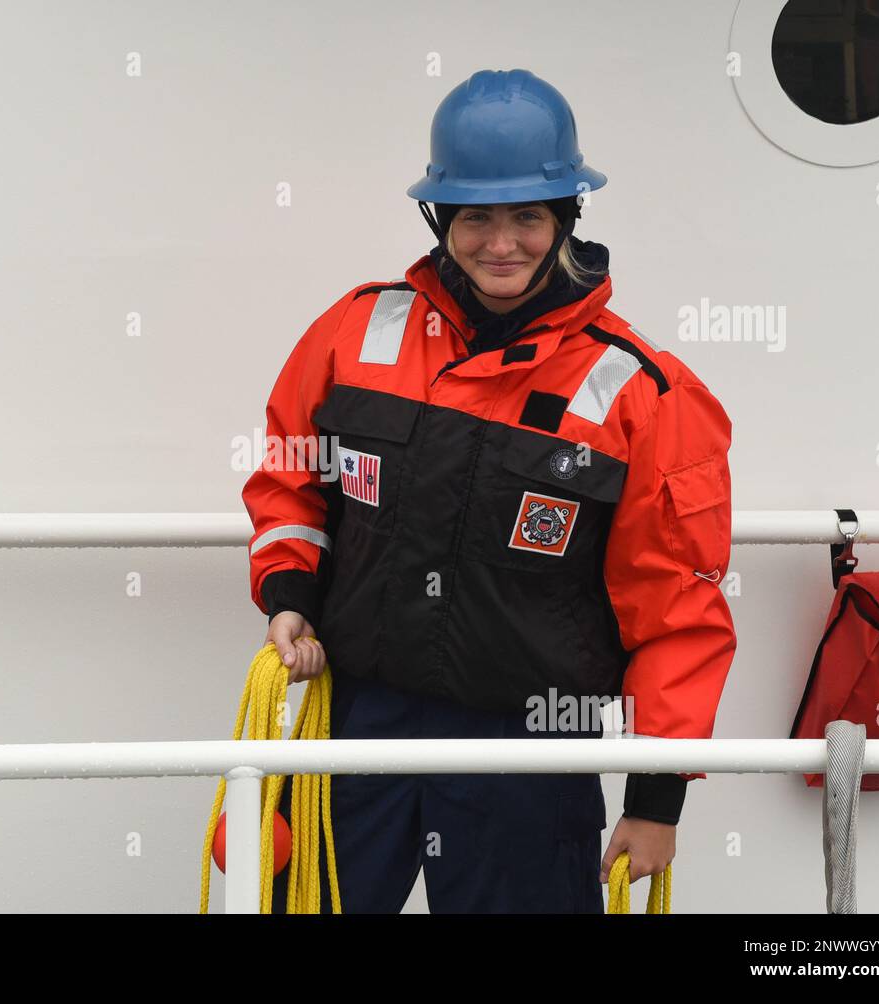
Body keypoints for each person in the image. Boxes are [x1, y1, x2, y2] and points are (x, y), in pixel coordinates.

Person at [241, 68, 737, 913]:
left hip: (534, 749)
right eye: (476, 216)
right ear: (442, 218)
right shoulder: (353, 331)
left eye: (527, 217)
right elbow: (292, 477)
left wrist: (657, 801)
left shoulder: (645, 394)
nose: (499, 243)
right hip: (358, 725)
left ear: (566, 219)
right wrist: (289, 592)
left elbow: (677, 609)